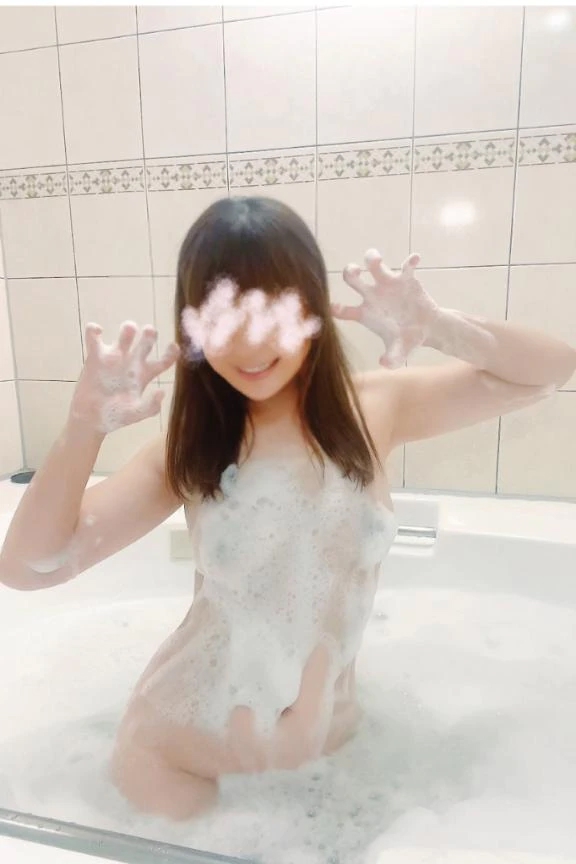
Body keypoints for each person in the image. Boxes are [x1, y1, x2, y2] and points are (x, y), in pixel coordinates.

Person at [0, 197, 574, 822]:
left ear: (313, 309)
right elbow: (30, 568)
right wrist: (82, 428)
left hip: (329, 752)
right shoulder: (188, 449)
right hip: (182, 756)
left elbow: (550, 370)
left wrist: (438, 326)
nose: (251, 343)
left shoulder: (373, 409)